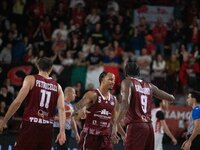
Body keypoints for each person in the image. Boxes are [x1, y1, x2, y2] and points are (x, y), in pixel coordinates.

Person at [0, 57, 66, 150]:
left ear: (38, 66)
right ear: (51, 69)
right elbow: (62, 109)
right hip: (47, 128)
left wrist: (4, 121)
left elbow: (18, 102)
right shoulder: (58, 87)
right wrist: (62, 131)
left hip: (31, 125)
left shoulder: (30, 79)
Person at [112, 62, 175, 150]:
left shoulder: (127, 82)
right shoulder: (150, 86)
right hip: (149, 127)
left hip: (136, 126)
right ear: (139, 73)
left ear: (125, 73)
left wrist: (116, 123)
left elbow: (125, 103)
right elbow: (171, 98)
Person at [73, 71, 125, 150]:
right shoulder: (92, 94)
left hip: (105, 138)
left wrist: (124, 135)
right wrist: (81, 109)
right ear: (102, 79)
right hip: (90, 136)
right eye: (110, 79)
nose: (113, 82)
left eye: (114, 80)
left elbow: (114, 120)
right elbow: (76, 107)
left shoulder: (114, 99)